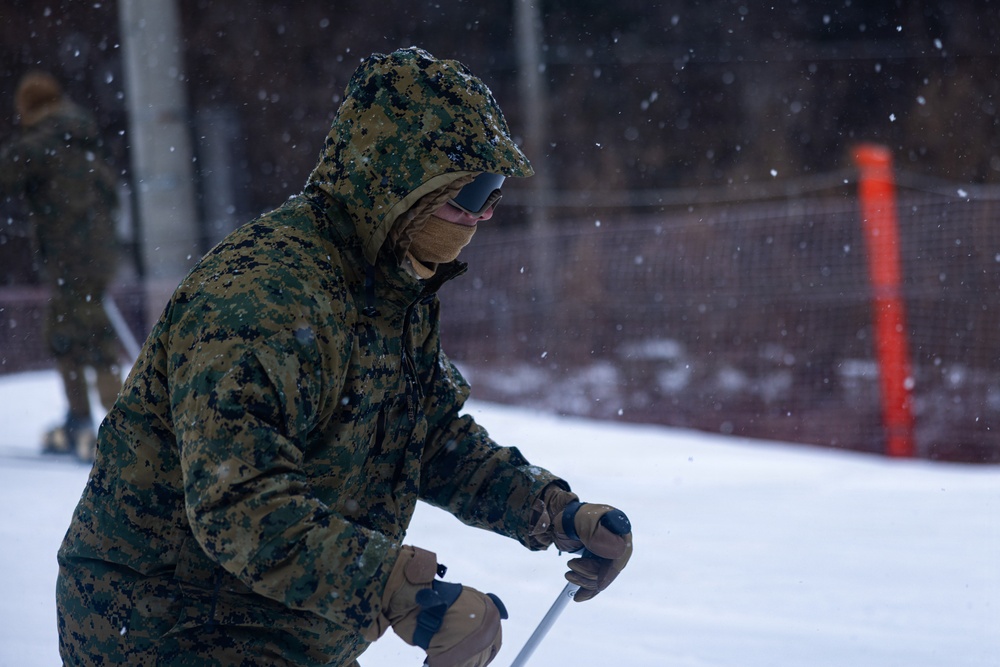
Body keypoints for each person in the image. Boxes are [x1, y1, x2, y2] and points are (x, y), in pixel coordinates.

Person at [56, 47, 632, 667]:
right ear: (398, 183)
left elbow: (428, 437)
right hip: (167, 625)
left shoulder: (391, 284)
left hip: (281, 622)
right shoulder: (264, 294)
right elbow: (239, 501)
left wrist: (553, 511)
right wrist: (398, 590)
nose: (481, 216)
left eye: (493, 194)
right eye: (469, 192)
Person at [0, 70, 122, 461]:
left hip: (70, 259)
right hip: (96, 254)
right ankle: (81, 420)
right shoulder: (82, 136)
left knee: (90, 338)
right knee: (68, 332)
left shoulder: (42, 142)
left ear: (27, 106)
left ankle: (122, 427)